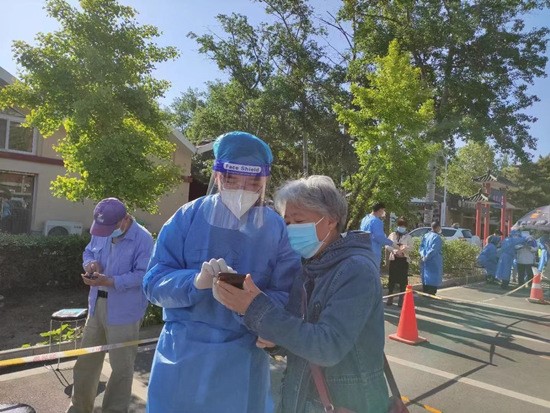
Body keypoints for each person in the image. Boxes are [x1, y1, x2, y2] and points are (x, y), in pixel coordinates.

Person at [142, 131, 301, 413]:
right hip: (183, 357)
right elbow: (153, 283)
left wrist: (260, 313)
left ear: (265, 181)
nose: (242, 189)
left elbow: (287, 293)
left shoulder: (276, 228)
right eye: (232, 180)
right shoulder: (186, 218)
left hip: (244, 358)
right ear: (217, 176)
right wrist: (194, 282)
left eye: (253, 183)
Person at [213, 175, 389, 412]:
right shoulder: (309, 266)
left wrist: (256, 307)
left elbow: (327, 346)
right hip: (300, 398)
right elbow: (299, 330)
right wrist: (276, 341)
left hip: (344, 402)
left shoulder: (355, 270)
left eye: (299, 221)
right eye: (287, 222)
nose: (291, 229)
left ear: (331, 221)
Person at [67, 198, 154, 413]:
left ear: (124, 219)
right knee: (86, 362)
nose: (104, 233)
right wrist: (90, 264)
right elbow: (88, 251)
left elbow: (143, 275)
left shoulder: (143, 238)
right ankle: (78, 409)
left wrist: (111, 281)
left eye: (109, 228)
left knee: (121, 368)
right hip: (96, 305)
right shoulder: (101, 229)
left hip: (125, 312)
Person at [385, 218, 413, 306]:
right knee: (392, 279)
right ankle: (390, 298)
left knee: (403, 280)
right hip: (394, 259)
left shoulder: (408, 237)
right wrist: (394, 251)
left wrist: (405, 248)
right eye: (400, 225)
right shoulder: (392, 235)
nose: (402, 227)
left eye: (403, 226)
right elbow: (387, 245)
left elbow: (411, 248)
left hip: (403, 260)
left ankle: (401, 299)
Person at [359, 202, 394, 272]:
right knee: (372, 272)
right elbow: (379, 238)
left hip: (363, 249)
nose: (384, 213)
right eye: (383, 210)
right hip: (373, 251)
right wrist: (392, 243)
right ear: (380, 210)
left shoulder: (365, 219)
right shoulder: (376, 221)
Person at [419, 221, 443, 296]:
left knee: (426, 277)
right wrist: (427, 256)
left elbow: (421, 247)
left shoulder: (426, 235)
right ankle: (431, 294)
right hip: (433, 261)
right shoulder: (437, 237)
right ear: (438, 227)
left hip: (425, 260)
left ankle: (425, 292)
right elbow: (434, 250)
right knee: (433, 279)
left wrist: (423, 255)